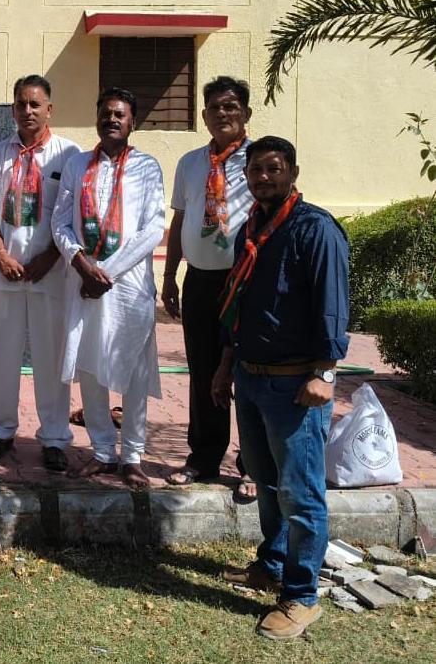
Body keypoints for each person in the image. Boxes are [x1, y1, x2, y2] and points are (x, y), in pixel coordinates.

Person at [213, 136, 348, 640]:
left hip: (296, 385)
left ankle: (302, 596)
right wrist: (226, 364)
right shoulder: (250, 230)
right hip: (250, 377)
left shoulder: (315, 229)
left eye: (273, 168)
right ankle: (270, 565)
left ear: (292, 172)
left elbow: (332, 304)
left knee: (300, 492)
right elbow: (240, 305)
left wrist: (325, 373)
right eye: (256, 170)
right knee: (266, 485)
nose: (263, 177)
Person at [51, 87, 165, 488]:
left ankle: (132, 456)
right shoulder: (77, 164)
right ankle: (102, 451)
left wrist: (107, 273)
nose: (112, 119)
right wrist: (83, 266)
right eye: (106, 113)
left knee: (134, 370)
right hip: (83, 282)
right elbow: (60, 221)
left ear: (133, 122)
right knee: (89, 366)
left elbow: (153, 228)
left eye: (120, 114)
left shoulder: (147, 167)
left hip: (128, 286)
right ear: (97, 117)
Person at [0, 76, 80, 471]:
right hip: (5, 271)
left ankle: (54, 436)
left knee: (50, 358)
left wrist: (50, 257)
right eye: (21, 104)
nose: (27, 111)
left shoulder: (68, 154)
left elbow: (73, 214)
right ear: (13, 109)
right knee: (0, 355)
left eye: (35, 104)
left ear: (49, 109)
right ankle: (0, 430)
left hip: (49, 273)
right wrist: (1, 253)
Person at [163, 76, 255, 499]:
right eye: (215, 107)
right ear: (203, 115)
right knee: (202, 370)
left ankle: (254, 464)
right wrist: (170, 276)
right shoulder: (190, 163)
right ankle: (203, 457)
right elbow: (180, 219)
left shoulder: (259, 160)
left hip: (245, 282)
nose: (222, 113)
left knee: (249, 371)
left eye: (231, 106)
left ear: (246, 113)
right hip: (199, 279)